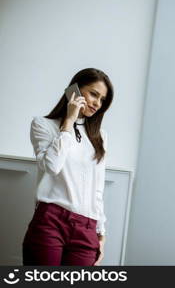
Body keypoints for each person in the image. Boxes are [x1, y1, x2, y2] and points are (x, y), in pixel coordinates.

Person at [22, 68, 114, 266]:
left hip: (87, 227)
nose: (97, 103)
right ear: (74, 91)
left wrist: (101, 232)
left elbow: (97, 189)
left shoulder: (100, 137)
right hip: (50, 221)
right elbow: (52, 166)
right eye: (93, 94)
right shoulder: (43, 125)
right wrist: (69, 122)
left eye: (102, 100)